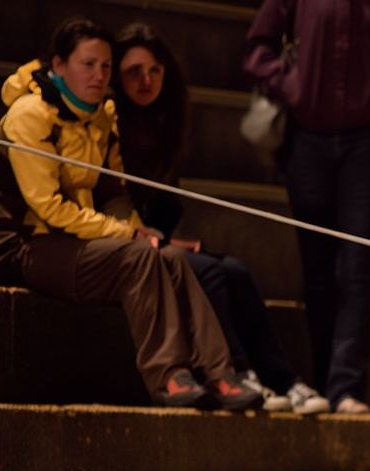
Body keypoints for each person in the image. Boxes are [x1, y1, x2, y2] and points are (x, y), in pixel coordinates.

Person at [0, 17, 260, 411]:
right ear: (59, 65)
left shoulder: (101, 116)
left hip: (75, 242)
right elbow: (48, 207)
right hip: (22, 245)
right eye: (87, 64)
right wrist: (129, 236)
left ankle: (220, 374)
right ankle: (169, 377)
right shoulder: (30, 115)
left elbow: (113, 194)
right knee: (141, 255)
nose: (98, 75)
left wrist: (141, 230)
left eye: (105, 66)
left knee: (172, 258)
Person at [112, 22, 329, 414]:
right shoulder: (109, 125)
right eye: (133, 72)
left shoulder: (163, 126)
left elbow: (162, 210)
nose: (146, 80)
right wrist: (158, 240)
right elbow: (109, 208)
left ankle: (284, 380)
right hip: (123, 245)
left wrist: (162, 237)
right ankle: (239, 375)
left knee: (234, 269)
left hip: (152, 242)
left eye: (154, 71)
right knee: (208, 271)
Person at [244, 0, 370, 414]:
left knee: (357, 265)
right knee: (317, 266)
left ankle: (346, 388)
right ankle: (323, 381)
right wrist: (293, 86)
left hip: (368, 143)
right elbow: (257, 47)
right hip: (306, 140)